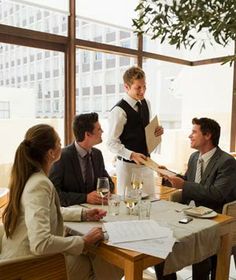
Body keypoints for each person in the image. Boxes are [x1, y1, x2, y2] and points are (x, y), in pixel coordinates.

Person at [1, 124, 122, 280]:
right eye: (59, 142)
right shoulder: (39, 184)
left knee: (97, 260)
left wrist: (84, 214)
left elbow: (48, 210)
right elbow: (41, 244)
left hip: (18, 259)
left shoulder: (29, 177)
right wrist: (83, 241)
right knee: (104, 263)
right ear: (51, 153)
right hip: (27, 267)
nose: (62, 146)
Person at [155, 117, 236, 280]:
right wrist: (168, 176)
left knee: (200, 256)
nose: (189, 136)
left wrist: (184, 185)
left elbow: (218, 194)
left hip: (215, 217)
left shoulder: (226, 162)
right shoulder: (194, 157)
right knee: (160, 241)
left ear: (207, 135)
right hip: (190, 215)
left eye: (194, 132)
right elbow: (188, 180)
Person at [107, 66, 163, 195]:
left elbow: (143, 132)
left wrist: (156, 132)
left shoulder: (146, 103)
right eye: (138, 87)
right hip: (127, 168)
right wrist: (132, 155)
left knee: (150, 204)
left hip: (147, 164)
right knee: (129, 208)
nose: (142, 91)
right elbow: (111, 143)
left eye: (144, 86)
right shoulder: (118, 111)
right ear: (126, 87)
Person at [49, 113, 114, 206]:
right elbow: (54, 194)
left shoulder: (97, 154)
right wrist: (86, 198)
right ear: (87, 134)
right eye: (99, 129)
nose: (102, 131)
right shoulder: (62, 157)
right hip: (71, 213)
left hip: (97, 211)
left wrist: (106, 191)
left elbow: (108, 182)